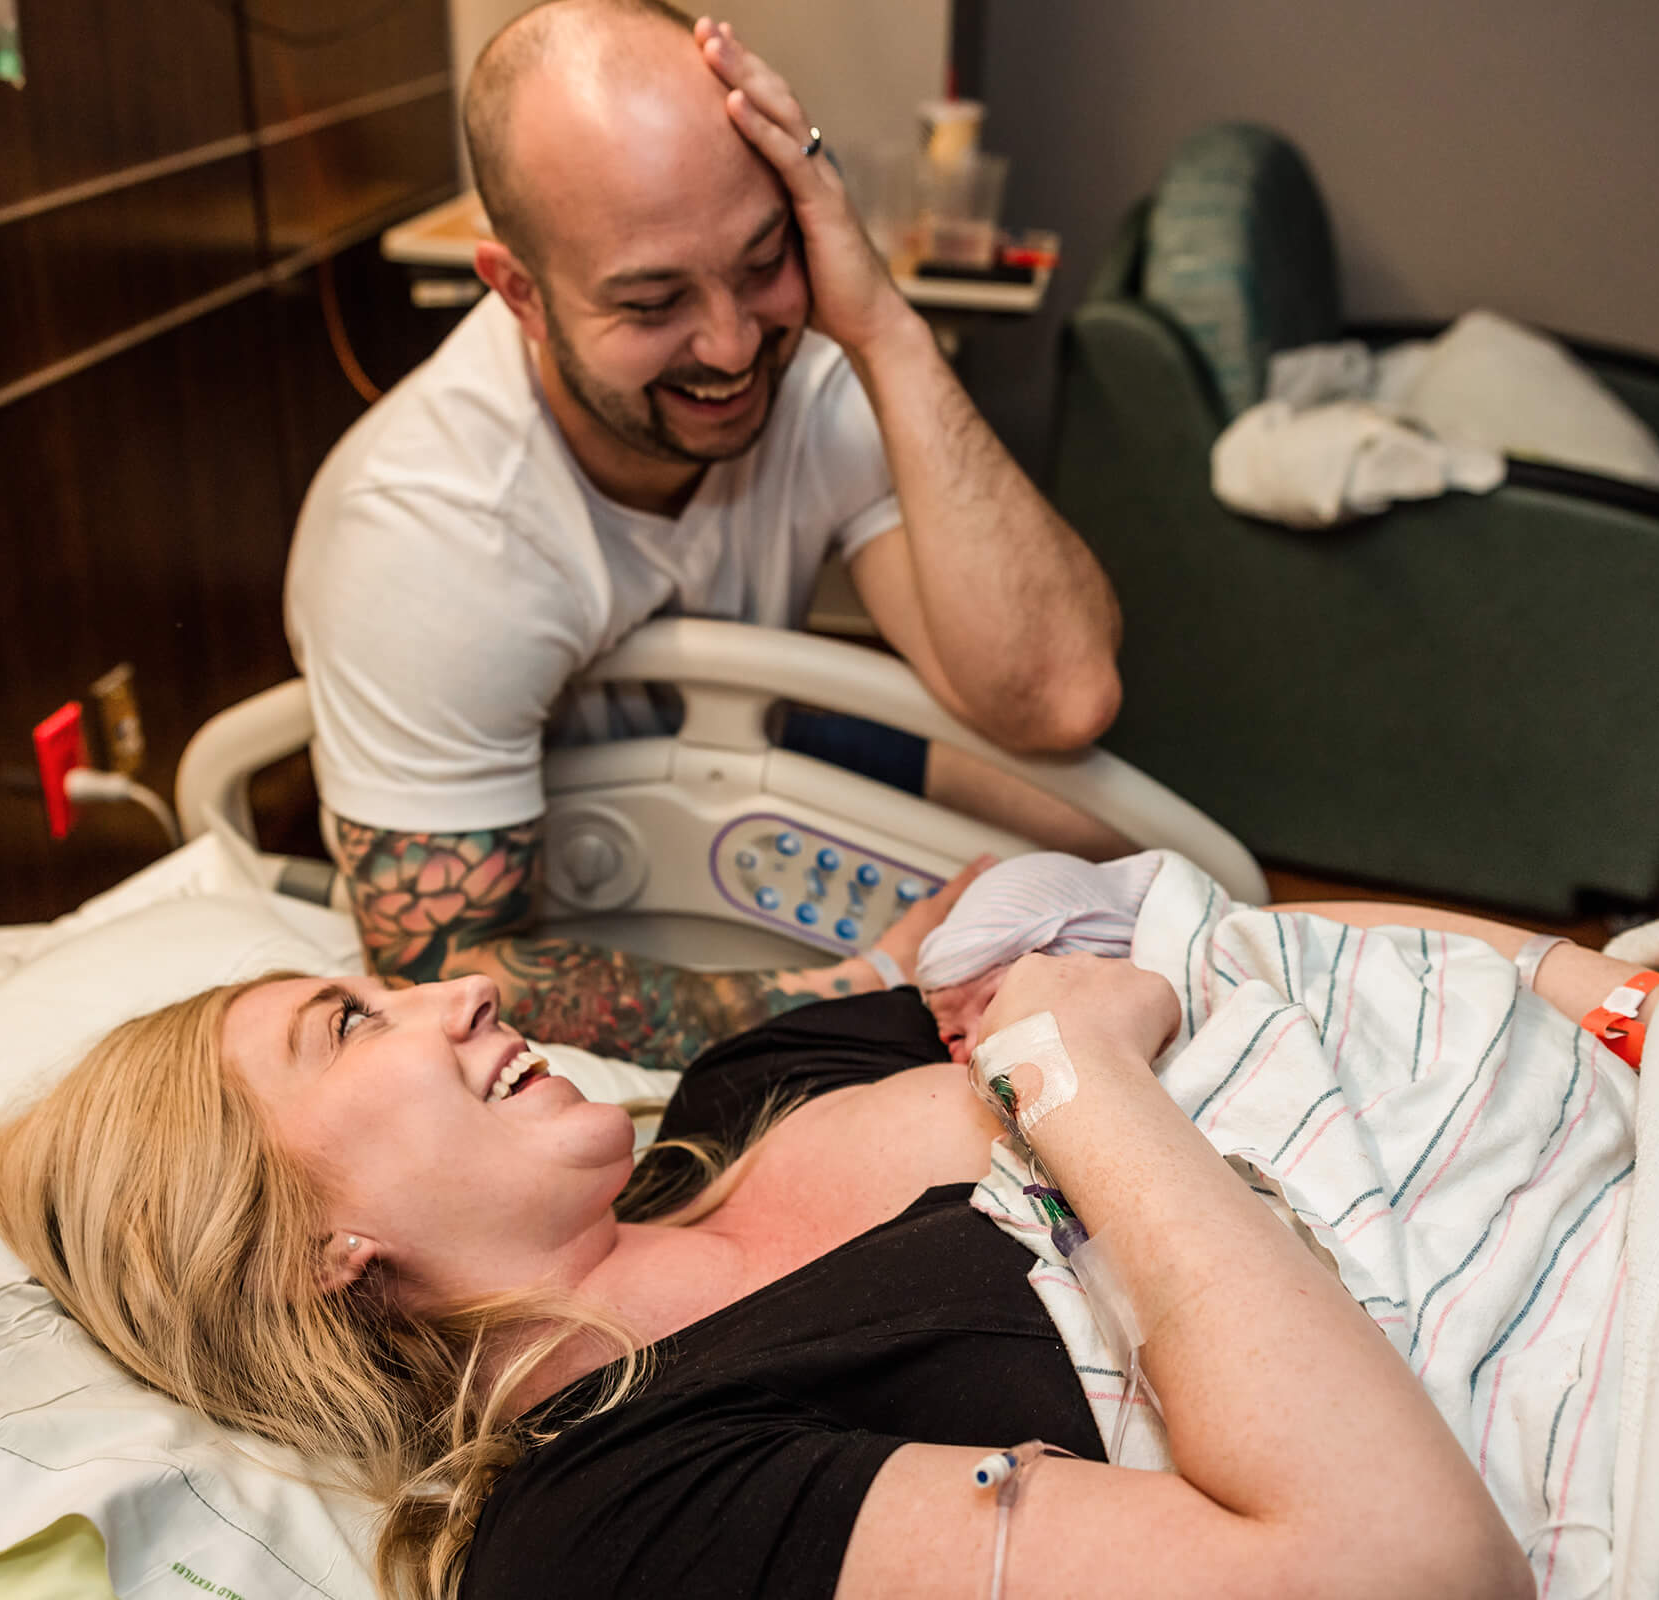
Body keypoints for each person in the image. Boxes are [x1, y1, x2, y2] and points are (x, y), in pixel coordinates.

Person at [0, 889, 1659, 1599]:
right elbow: (1391, 1574)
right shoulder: (602, 1514)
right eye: (347, 1033)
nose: (464, 992)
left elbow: (1210, 937)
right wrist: (1074, 1080)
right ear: (304, 1249)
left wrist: (1609, 992)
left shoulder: (750, 1084)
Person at [282, 1, 1124, 1068]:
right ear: (520, 294)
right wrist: (862, 987)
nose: (732, 346)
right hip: (579, 881)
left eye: (764, 259)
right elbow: (444, 978)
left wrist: (881, 326)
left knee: (1105, 852)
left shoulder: (809, 370)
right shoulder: (431, 531)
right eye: (651, 303)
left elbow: (1059, 694)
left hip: (744, 760)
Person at [913, 851, 1659, 1067]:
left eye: (981, 1005)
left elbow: (1423, 962)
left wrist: (1627, 1003)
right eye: (949, 1034)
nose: (964, 1049)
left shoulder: (1240, 955)